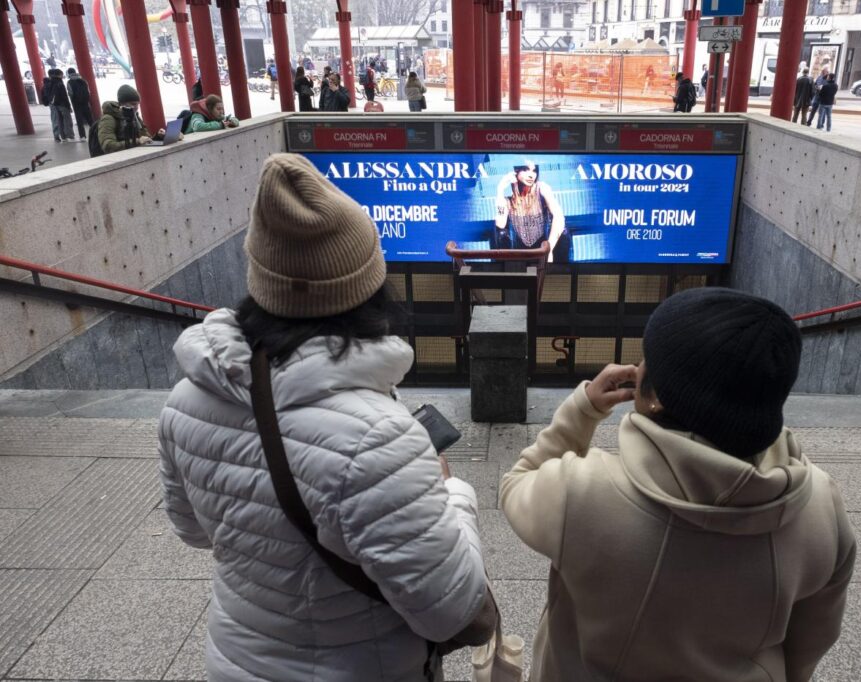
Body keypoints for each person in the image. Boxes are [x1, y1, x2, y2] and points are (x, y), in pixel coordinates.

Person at [158, 153, 494, 682]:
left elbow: (193, 531)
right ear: (368, 286)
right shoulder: (380, 440)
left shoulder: (185, 399)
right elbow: (458, 614)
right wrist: (453, 493)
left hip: (235, 661)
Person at [500, 287, 856, 682]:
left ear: (652, 397)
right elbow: (811, 642)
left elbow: (516, 484)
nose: (637, 364)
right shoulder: (823, 509)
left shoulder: (583, 492)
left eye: (646, 359)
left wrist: (582, 409)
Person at [493, 160, 566, 261]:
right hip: (520, 256)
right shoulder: (507, 201)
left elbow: (559, 217)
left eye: (534, 171)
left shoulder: (542, 188)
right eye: (526, 170)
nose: (532, 175)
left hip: (544, 249)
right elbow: (500, 224)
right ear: (515, 172)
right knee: (500, 233)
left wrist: (548, 250)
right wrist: (500, 188)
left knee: (564, 233)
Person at [96, 85, 163, 153]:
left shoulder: (135, 116)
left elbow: (146, 139)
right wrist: (137, 142)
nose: (136, 107)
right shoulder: (109, 119)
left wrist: (158, 136)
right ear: (122, 104)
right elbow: (108, 146)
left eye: (138, 104)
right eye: (133, 104)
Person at [45, 69, 75, 142]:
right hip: (62, 104)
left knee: (58, 120)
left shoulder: (48, 83)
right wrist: (69, 106)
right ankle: (69, 135)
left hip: (53, 104)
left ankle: (61, 136)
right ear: (58, 74)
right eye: (61, 74)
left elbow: (45, 94)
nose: (62, 76)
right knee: (67, 120)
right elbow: (64, 96)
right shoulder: (59, 83)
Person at [66, 68, 93, 140]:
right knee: (90, 119)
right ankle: (95, 132)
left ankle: (83, 136)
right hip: (85, 103)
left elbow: (70, 93)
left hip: (76, 103)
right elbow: (88, 92)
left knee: (79, 120)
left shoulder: (69, 82)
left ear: (69, 74)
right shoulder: (83, 81)